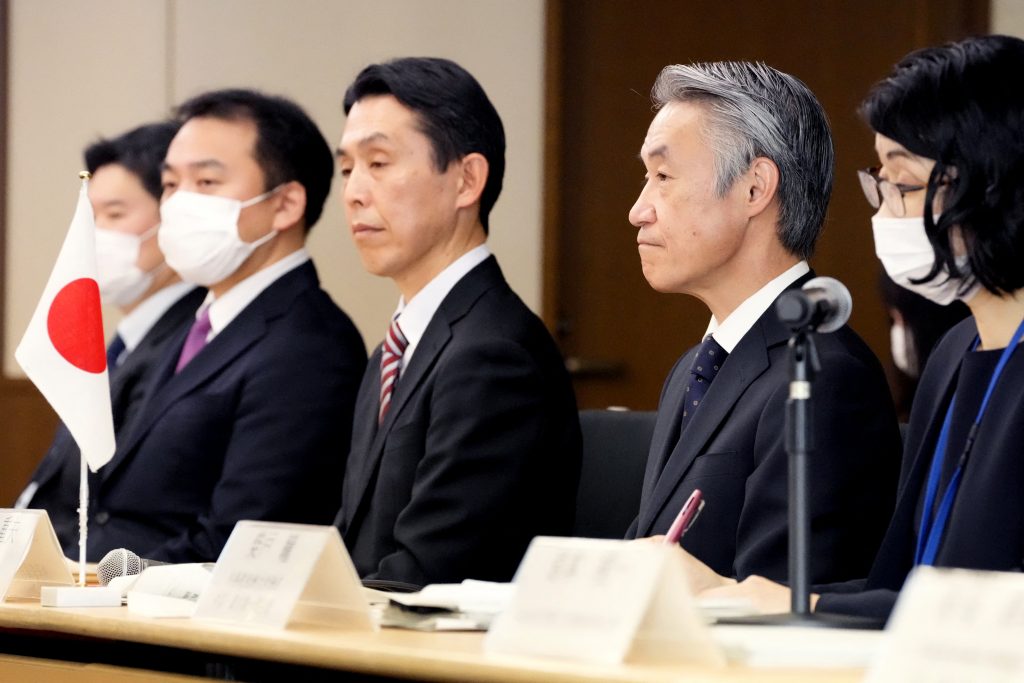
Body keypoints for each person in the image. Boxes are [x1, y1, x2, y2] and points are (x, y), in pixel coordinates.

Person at [682, 35, 1024, 621]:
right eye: (880, 182)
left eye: (908, 186)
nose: (886, 210)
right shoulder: (951, 353)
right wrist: (741, 593)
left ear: (998, 186)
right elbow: (902, 585)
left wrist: (806, 604)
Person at [625, 61, 902, 584]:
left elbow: (787, 602)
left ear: (755, 189)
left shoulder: (821, 375)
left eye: (663, 177)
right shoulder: (693, 368)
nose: (639, 210)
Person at [82, 89, 367, 562]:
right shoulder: (195, 326)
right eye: (171, 185)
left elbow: (240, 540)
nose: (180, 204)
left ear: (284, 205)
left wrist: (101, 579)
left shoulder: (310, 346)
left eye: (208, 182)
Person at [333, 57, 581, 587]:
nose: (354, 191)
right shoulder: (393, 348)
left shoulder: (494, 354)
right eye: (346, 168)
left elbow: (431, 571)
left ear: (467, 180)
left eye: (378, 163)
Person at [15, 122, 207, 557]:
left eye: (115, 215)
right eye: (91, 216)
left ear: (173, 215)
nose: (95, 234)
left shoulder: (191, 338)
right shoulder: (123, 342)